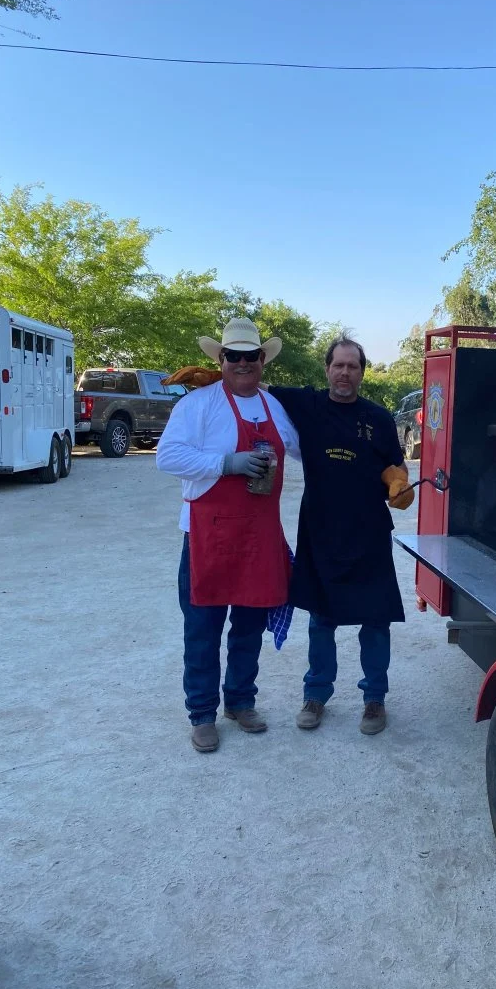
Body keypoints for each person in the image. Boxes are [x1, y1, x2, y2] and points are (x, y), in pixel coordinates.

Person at [156, 318, 300, 753]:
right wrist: (225, 463)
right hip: (208, 535)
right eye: (232, 355)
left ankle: (240, 701)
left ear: (262, 360)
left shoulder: (274, 407)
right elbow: (167, 456)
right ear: (220, 359)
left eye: (250, 356)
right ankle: (202, 714)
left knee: (249, 627)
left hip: (259, 535)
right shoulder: (197, 405)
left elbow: (303, 449)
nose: (242, 363)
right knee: (203, 629)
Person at [266, 331, 413, 735]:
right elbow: (256, 387)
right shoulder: (307, 404)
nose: (344, 372)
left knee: (376, 619)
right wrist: (216, 378)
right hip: (321, 531)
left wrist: (398, 484)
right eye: (338, 365)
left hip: (368, 533)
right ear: (327, 369)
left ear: (362, 372)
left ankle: (374, 699)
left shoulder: (378, 418)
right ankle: (316, 694)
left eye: (352, 366)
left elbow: (396, 466)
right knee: (321, 618)